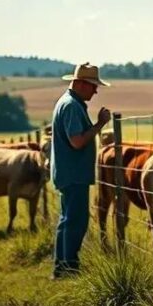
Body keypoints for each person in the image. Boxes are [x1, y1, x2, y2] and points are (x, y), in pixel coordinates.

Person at [50, 62, 111, 278]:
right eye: (94, 85)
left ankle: (61, 266)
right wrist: (99, 125)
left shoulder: (67, 103)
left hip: (68, 172)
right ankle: (69, 268)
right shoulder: (72, 107)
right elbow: (76, 142)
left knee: (67, 220)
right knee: (76, 221)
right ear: (81, 84)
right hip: (73, 173)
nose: (95, 91)